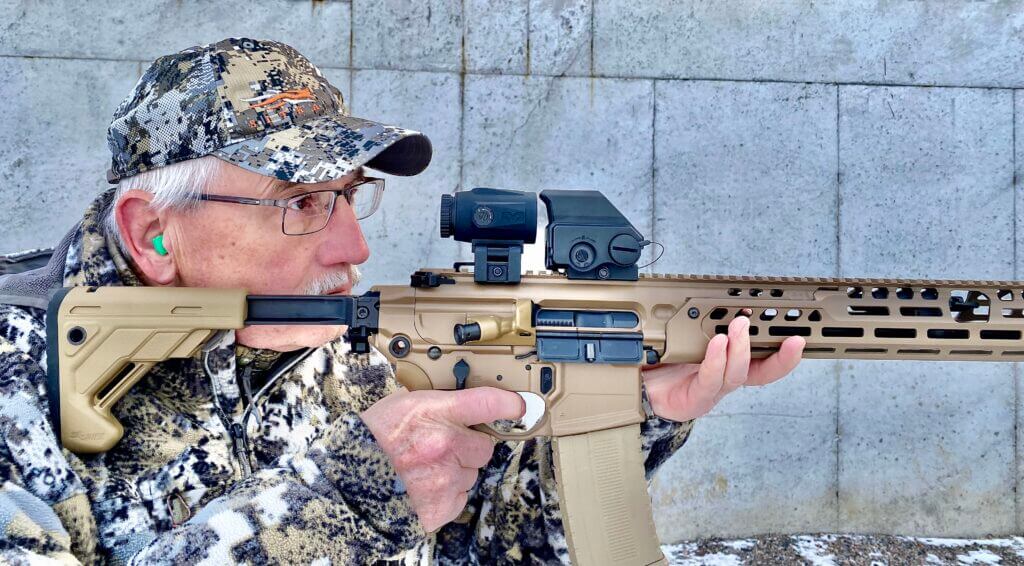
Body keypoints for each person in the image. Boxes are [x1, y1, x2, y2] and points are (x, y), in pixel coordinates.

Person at [0, 38, 805, 563]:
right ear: (154, 235)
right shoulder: (18, 377)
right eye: (303, 202)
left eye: (351, 197)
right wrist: (346, 495)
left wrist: (629, 412)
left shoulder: (345, 353)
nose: (355, 249)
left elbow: (488, 550)